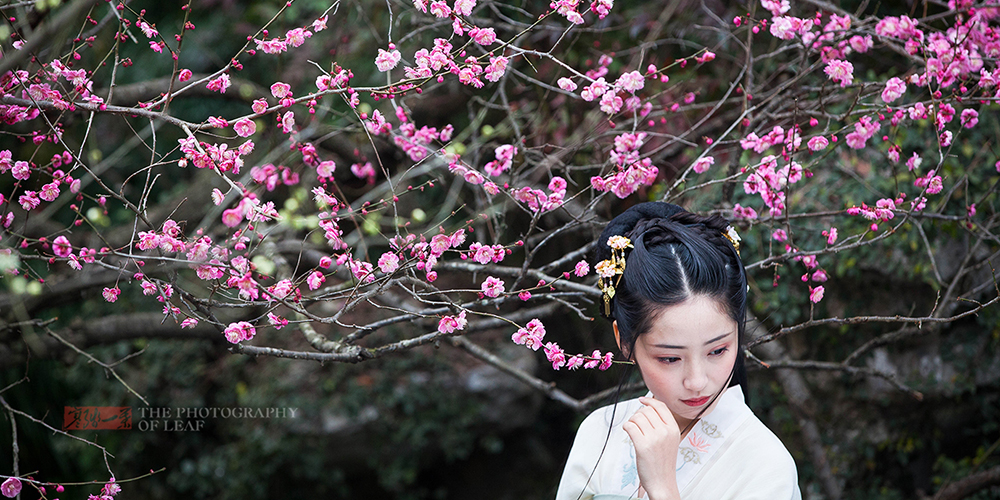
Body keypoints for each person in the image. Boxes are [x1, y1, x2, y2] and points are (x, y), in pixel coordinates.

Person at [555, 202, 801, 500]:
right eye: (670, 358)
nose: (697, 381)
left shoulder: (765, 464)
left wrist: (663, 489)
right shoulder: (599, 432)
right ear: (624, 341)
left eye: (718, 350)